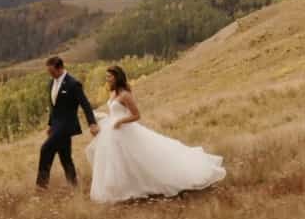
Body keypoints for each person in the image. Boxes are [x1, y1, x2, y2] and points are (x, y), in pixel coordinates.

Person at [86, 65, 226, 203]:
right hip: (113, 132)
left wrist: (121, 121)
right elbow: (114, 112)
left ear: (117, 77)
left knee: (141, 159)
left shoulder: (125, 95)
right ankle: (119, 189)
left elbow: (136, 115)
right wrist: (102, 117)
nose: (107, 79)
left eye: (109, 76)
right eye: (107, 76)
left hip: (124, 130)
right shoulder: (113, 94)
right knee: (117, 162)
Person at [37, 56, 97, 190]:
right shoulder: (51, 83)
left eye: (52, 72)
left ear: (60, 68)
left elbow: (85, 105)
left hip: (66, 125)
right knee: (65, 156)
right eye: (49, 72)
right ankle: (74, 186)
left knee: (45, 149)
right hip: (56, 125)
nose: (50, 75)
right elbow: (53, 106)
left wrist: (92, 123)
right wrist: (50, 124)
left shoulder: (73, 84)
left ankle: (41, 186)